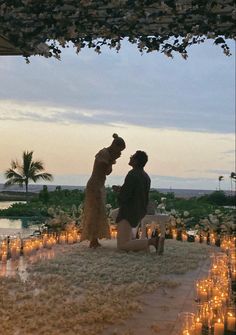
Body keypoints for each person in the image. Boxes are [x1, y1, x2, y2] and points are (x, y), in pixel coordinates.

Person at [81, 134, 126, 248]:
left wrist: (112, 160)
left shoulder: (108, 155)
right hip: (95, 185)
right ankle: (93, 239)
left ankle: (95, 238)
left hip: (100, 184)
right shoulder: (104, 154)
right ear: (115, 146)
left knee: (99, 211)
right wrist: (111, 160)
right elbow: (103, 169)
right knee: (95, 211)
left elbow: (107, 172)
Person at [114, 150, 159, 252]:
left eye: (132, 156)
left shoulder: (132, 174)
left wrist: (120, 193)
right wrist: (122, 189)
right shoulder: (146, 176)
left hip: (129, 212)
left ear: (136, 161)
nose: (130, 157)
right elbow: (137, 193)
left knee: (122, 245)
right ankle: (139, 244)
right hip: (139, 210)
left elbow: (125, 196)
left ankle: (153, 242)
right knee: (113, 214)